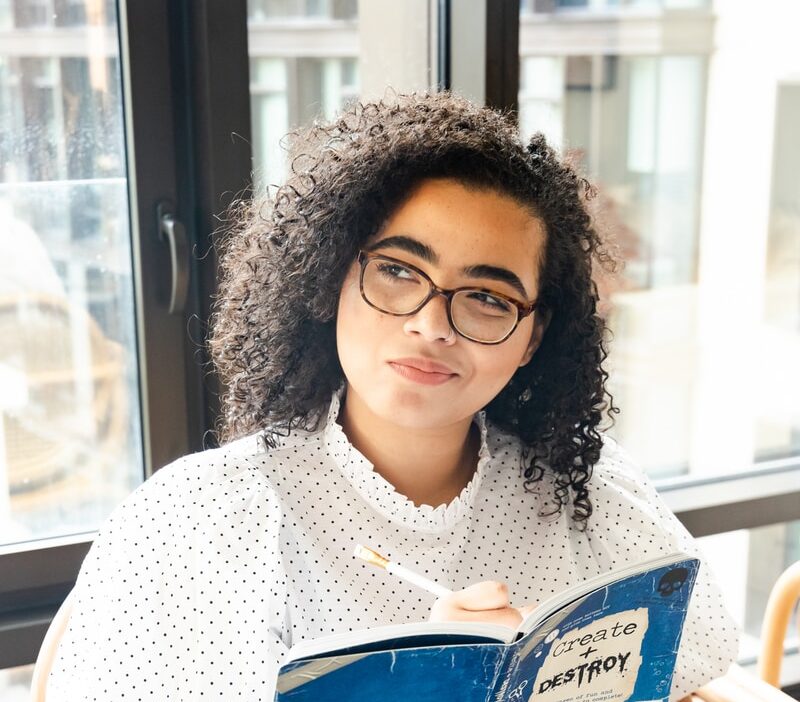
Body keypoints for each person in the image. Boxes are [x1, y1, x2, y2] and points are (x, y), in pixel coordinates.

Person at [47, 91, 739, 700]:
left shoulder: (584, 488)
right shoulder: (201, 521)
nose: (430, 325)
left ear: (534, 336)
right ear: (329, 278)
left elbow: (701, 648)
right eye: (399, 271)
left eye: (488, 298)